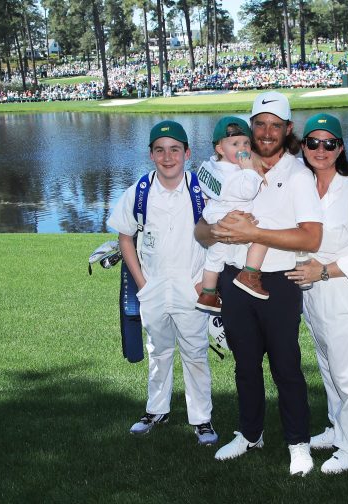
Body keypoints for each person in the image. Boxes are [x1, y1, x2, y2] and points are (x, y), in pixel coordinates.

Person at [195, 91, 323, 476]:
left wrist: (256, 233)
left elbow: (310, 238)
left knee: (286, 367)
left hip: (278, 283)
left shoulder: (298, 175)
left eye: (275, 125)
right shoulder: (227, 170)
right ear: (250, 128)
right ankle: (250, 434)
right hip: (234, 280)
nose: (266, 132)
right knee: (245, 365)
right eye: (260, 124)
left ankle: (298, 444)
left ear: (288, 130)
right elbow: (201, 233)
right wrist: (217, 230)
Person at [107, 120, 218, 446]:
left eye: (174, 150)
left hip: (192, 287)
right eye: (160, 151)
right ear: (151, 154)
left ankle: (202, 419)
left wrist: (206, 283)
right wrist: (142, 283)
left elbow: (221, 241)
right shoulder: (139, 192)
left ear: (187, 153)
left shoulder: (203, 193)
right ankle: (156, 410)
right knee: (159, 350)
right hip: (154, 287)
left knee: (196, 353)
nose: (167, 158)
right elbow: (125, 237)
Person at [285, 113, 348, 474]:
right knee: (327, 367)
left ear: (340, 147)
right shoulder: (302, 184)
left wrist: (324, 270)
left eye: (329, 143)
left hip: (345, 292)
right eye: (313, 142)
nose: (320, 150)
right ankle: (336, 428)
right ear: (304, 146)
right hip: (311, 294)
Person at [195, 116, 271, 313]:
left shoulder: (212, 165)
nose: (242, 148)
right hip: (237, 218)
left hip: (215, 217)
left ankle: (208, 293)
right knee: (263, 237)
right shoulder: (236, 172)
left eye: (246, 143)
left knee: (214, 257)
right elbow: (248, 191)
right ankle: (250, 274)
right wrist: (249, 171)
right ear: (220, 149)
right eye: (235, 143)